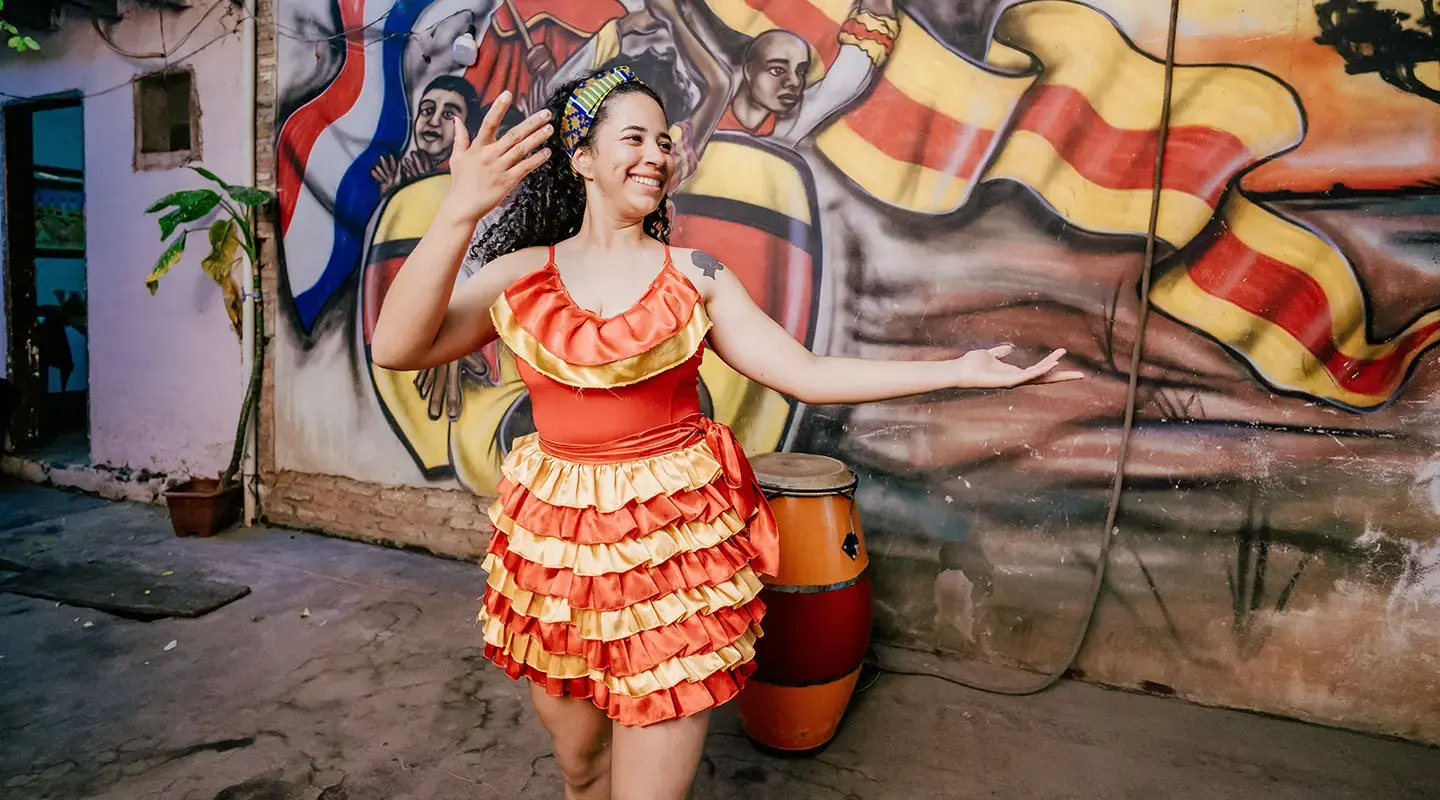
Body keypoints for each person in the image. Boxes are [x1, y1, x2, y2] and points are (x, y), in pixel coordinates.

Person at [370, 66, 1081, 800]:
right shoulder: (521, 276)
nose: (657, 154)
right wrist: (460, 211)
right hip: (557, 564)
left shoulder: (697, 275)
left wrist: (958, 369)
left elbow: (805, 373)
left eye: (665, 142)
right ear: (580, 158)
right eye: (635, 138)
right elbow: (396, 346)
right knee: (581, 768)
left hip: (670, 566)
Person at [370, 75, 484, 195]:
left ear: (467, 126)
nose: (434, 122)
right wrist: (390, 194)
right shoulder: (396, 173)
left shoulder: (470, 182)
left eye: (448, 115)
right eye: (427, 110)